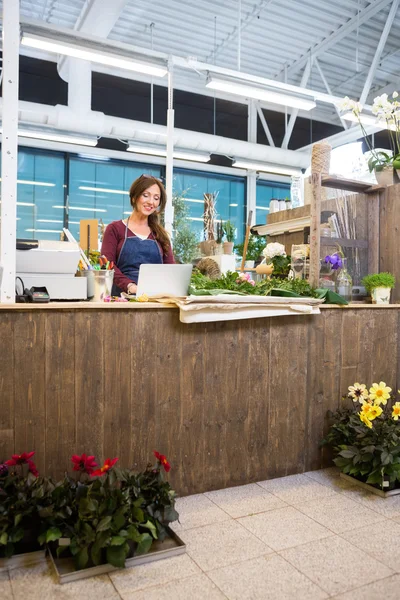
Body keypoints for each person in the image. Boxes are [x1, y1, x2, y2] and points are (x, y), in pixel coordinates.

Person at [101, 174, 175, 295]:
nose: (151, 202)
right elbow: (107, 265)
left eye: (156, 198)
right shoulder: (115, 229)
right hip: (123, 297)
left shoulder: (160, 235)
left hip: (155, 298)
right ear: (134, 197)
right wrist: (130, 286)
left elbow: (171, 270)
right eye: (146, 195)